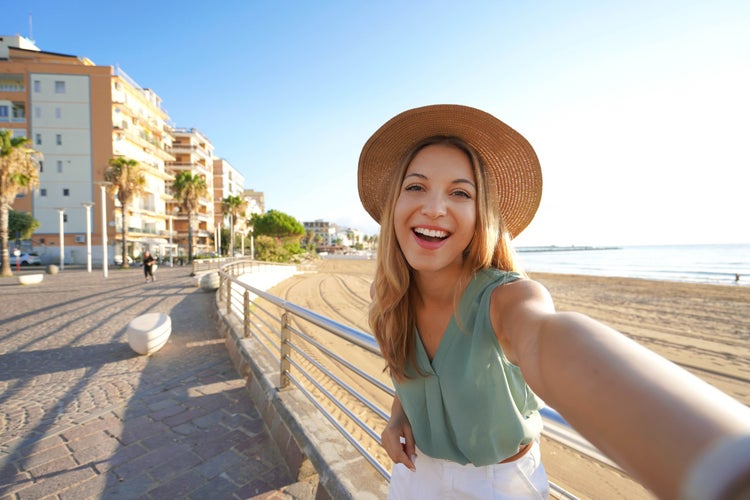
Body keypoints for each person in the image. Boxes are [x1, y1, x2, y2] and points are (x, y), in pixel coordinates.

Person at [358, 104, 750, 499]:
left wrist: (723, 457)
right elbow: (410, 379)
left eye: (460, 192)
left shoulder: (508, 298)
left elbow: (547, 336)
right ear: (395, 204)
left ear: (482, 215)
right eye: (416, 186)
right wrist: (397, 418)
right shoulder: (389, 298)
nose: (434, 208)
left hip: (500, 485)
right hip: (414, 474)